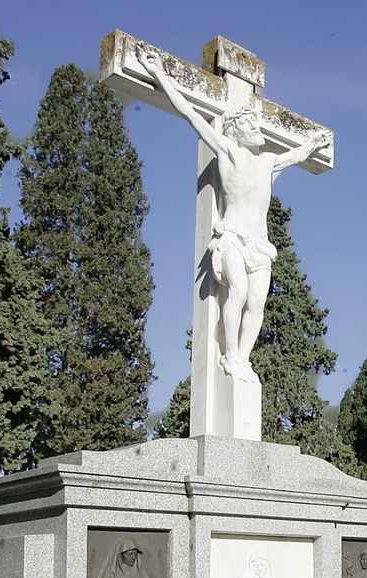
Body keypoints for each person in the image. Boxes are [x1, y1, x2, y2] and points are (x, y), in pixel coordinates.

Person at [140, 52, 332, 382]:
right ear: (236, 129)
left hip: (260, 245)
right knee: (238, 292)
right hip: (232, 238)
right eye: (251, 125)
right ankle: (228, 355)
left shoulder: (268, 161)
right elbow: (190, 114)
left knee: (257, 303)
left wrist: (314, 142)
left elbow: (298, 153)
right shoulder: (228, 152)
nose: (257, 129)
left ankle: (242, 359)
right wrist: (160, 74)